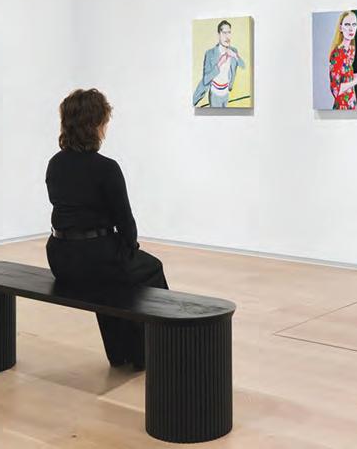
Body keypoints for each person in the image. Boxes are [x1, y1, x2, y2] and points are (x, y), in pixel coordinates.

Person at [45, 88, 169, 370]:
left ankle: (119, 353)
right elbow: (126, 224)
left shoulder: (55, 163)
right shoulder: (106, 168)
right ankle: (152, 352)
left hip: (60, 258)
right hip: (95, 257)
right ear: (95, 125)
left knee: (112, 276)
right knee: (150, 268)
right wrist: (130, 249)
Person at [192, 20, 246, 108]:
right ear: (218, 35)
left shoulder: (233, 51)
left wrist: (235, 56)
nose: (227, 36)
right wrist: (219, 64)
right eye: (224, 33)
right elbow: (206, 79)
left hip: (226, 93)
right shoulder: (210, 53)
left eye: (229, 32)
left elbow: (243, 66)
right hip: (214, 94)